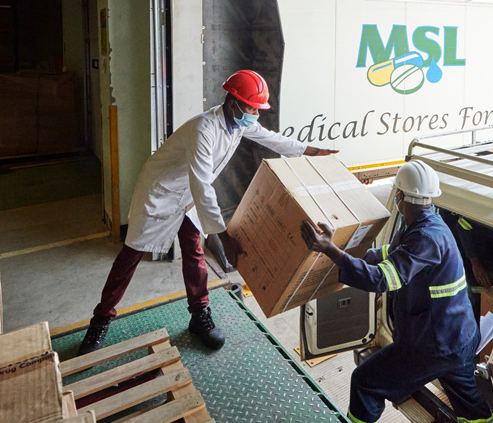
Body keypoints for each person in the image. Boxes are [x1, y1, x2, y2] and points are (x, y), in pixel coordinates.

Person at [78, 69, 336, 354]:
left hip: (187, 195)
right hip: (160, 193)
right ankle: (100, 321)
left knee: (194, 251)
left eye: (257, 108)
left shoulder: (240, 123)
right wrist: (223, 235)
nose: (255, 114)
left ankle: (199, 315)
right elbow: (202, 184)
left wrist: (312, 151)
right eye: (251, 107)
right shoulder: (204, 129)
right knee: (130, 257)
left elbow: (273, 139)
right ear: (233, 101)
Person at [300, 160, 493, 423]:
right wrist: (345, 253)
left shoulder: (426, 236)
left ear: (401, 197)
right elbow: (390, 254)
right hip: (458, 339)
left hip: (432, 346)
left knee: (365, 381)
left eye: (398, 196)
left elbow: (383, 279)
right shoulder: (425, 224)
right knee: (472, 407)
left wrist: (331, 252)